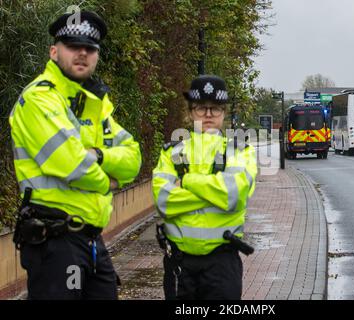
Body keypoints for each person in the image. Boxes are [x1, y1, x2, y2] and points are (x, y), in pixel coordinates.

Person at [8, 11, 141, 300]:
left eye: (90, 48)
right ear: (54, 52)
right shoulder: (38, 98)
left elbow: (133, 159)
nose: (82, 53)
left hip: (91, 238)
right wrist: (109, 182)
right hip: (55, 240)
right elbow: (72, 164)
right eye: (73, 46)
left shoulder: (95, 104)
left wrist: (100, 156)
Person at [152, 75, 257, 300]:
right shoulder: (172, 151)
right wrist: (214, 192)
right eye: (201, 108)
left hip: (222, 262)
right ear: (190, 112)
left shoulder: (239, 150)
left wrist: (188, 182)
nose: (208, 115)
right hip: (180, 264)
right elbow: (164, 201)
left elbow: (234, 195)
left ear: (224, 113)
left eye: (215, 109)